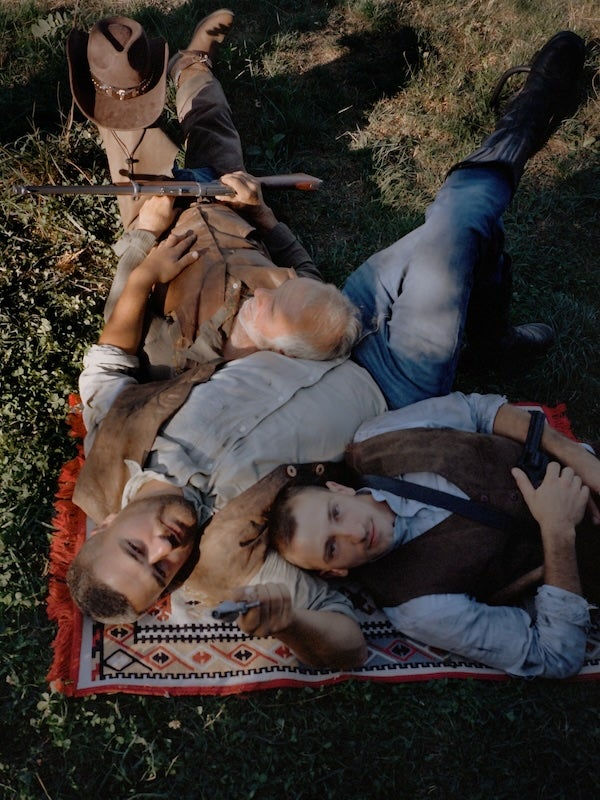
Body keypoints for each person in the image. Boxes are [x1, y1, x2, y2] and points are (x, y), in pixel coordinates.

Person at [65, 12, 586, 668]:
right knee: (456, 227)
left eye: (138, 549)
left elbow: (110, 357)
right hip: (392, 385)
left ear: (108, 524)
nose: (167, 550)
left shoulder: (112, 450)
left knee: (450, 238)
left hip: (316, 328)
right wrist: (292, 629)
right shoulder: (229, 569)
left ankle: (485, 329)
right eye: (163, 572)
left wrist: (144, 268)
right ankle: (525, 124)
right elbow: (345, 644)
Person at [269, 391, 600, 678]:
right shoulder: (418, 608)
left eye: (336, 513)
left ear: (338, 489)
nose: (354, 533)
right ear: (334, 572)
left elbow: (477, 410)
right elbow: (557, 656)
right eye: (332, 547)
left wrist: (578, 459)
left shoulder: (377, 437)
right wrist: (559, 533)